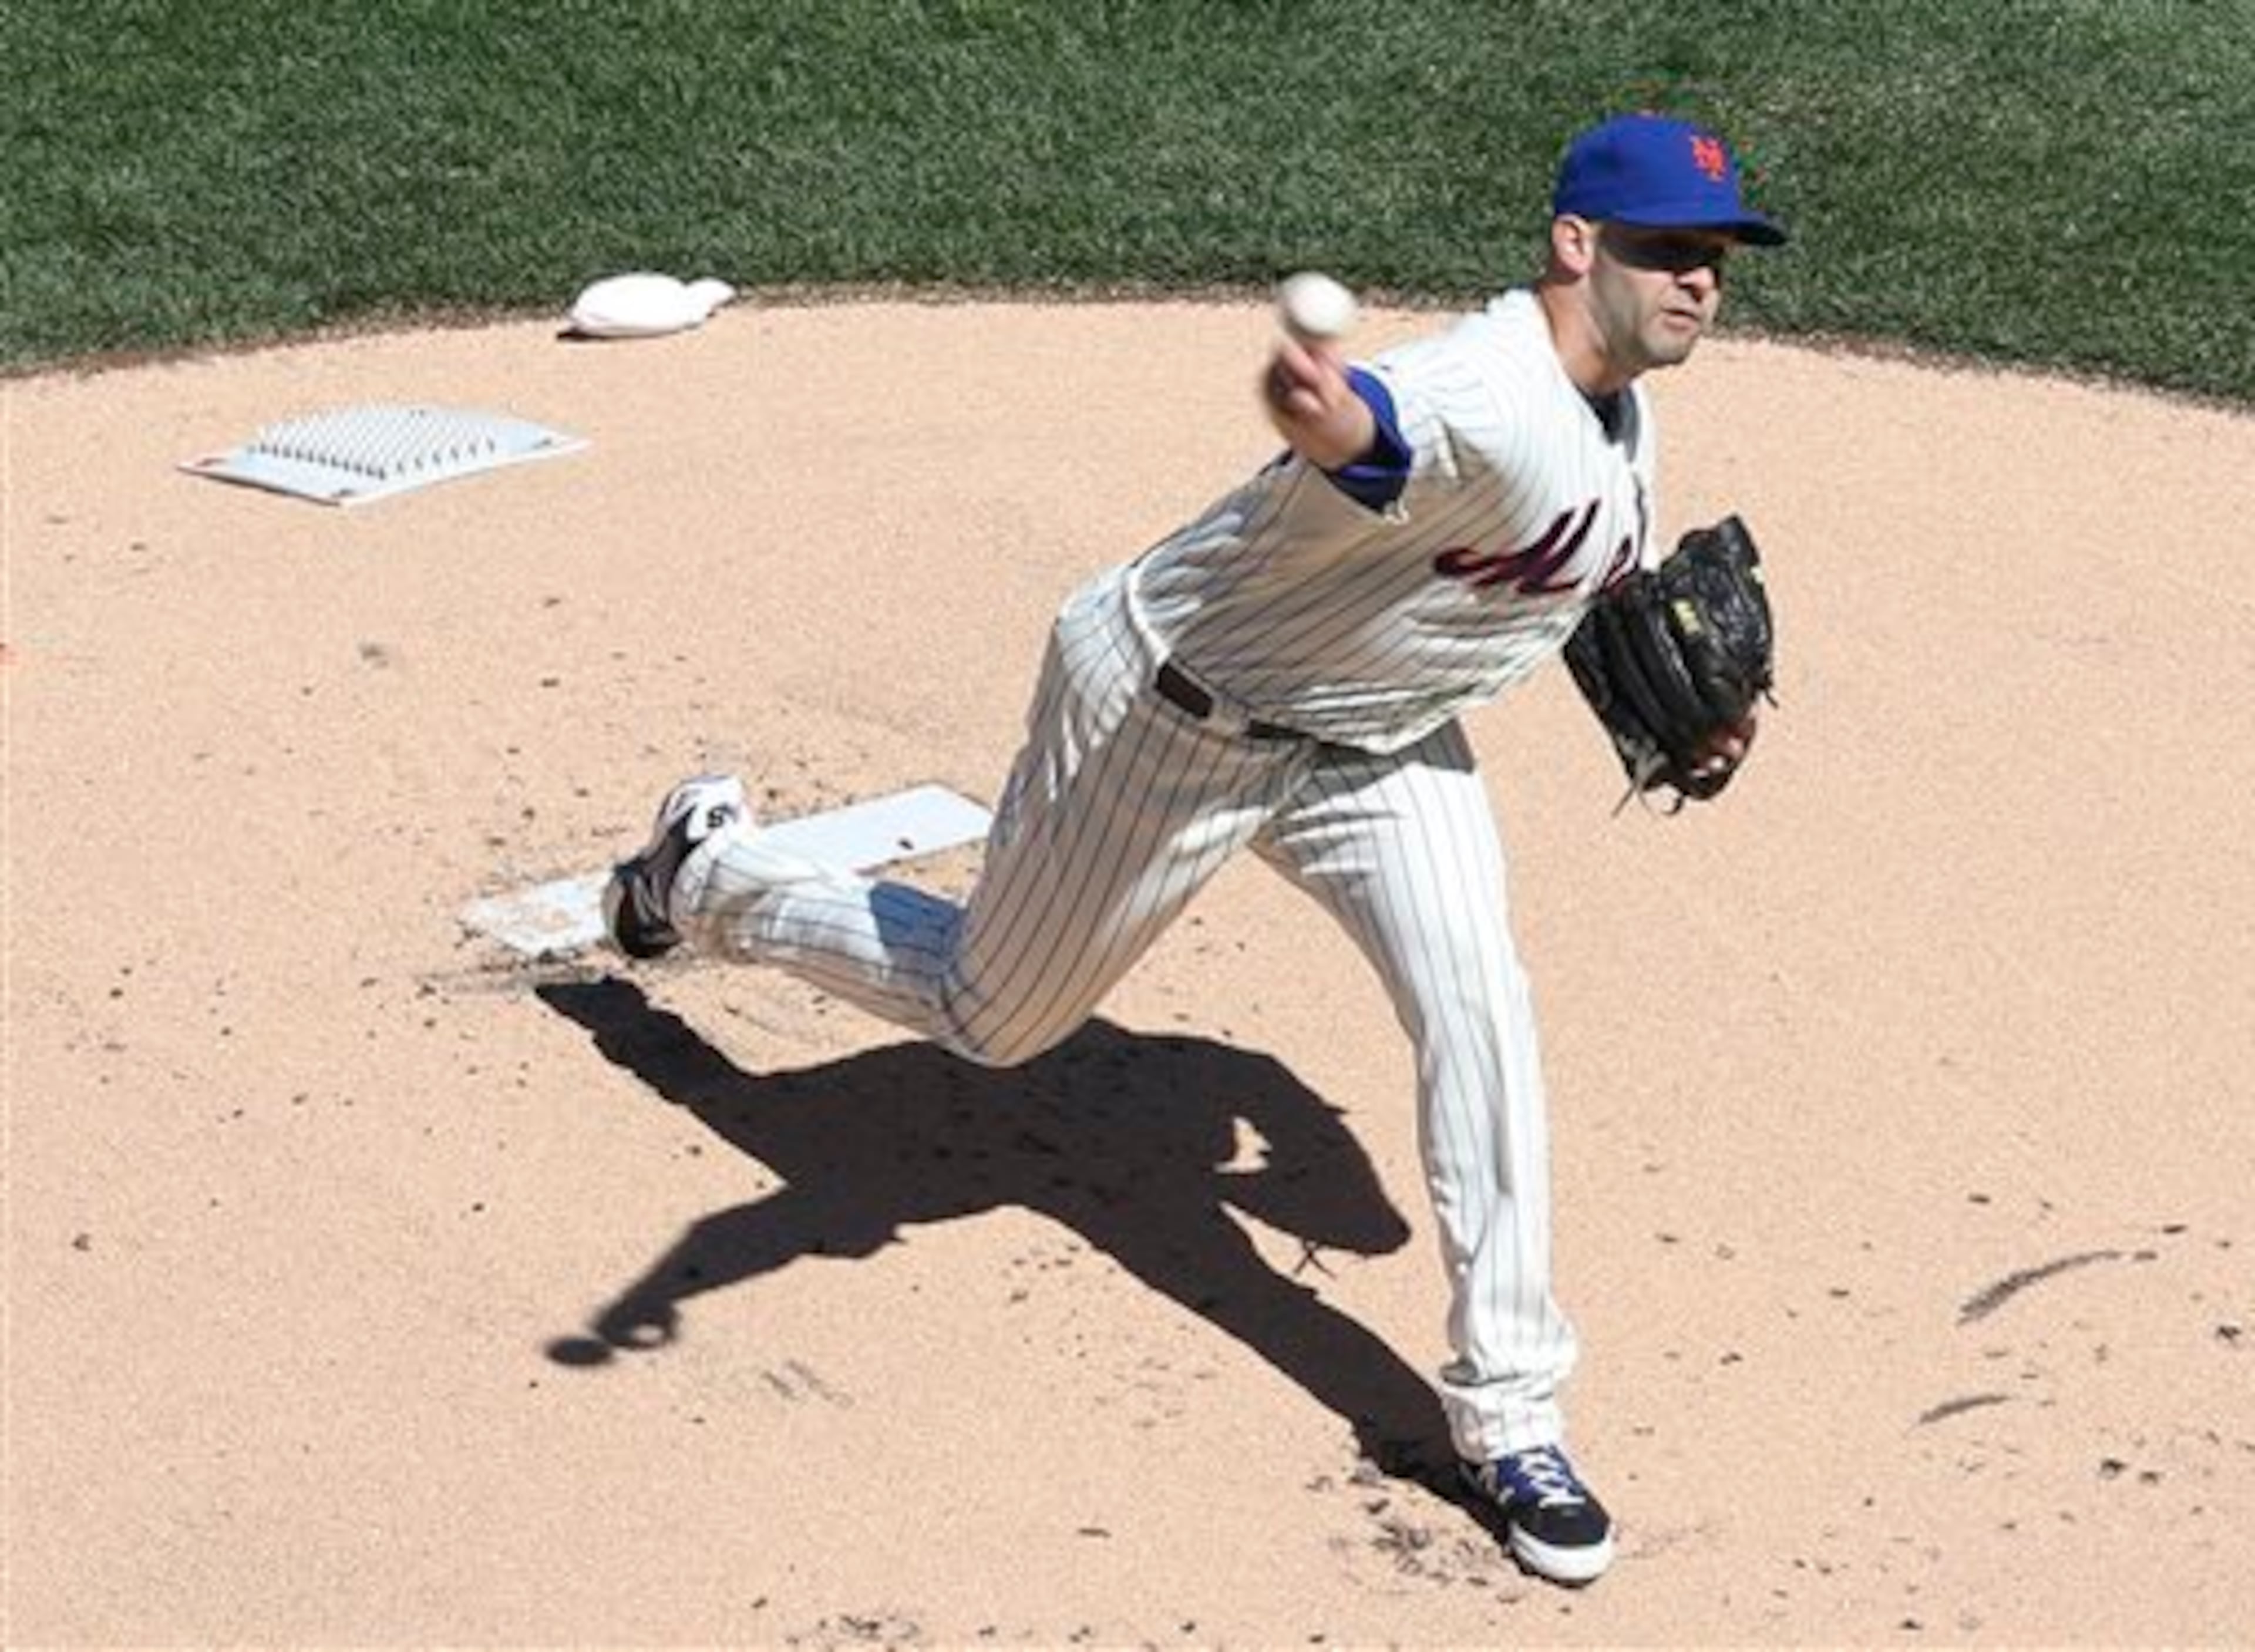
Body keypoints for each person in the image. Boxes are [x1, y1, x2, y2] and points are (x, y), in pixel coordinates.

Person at [601, 111, 1786, 1587]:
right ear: (1573, 246)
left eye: (1719, 258)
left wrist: (1678, 709)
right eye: (1668, 250)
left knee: (1481, 1008)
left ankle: (1511, 1410)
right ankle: (705, 870)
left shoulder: (1620, 406)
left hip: (1376, 744)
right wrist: (1326, 417)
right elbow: (1386, 441)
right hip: (1175, 725)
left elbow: (1544, 561)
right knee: (993, 1017)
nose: (1699, 282)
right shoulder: (1477, 388)